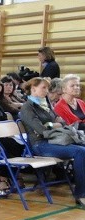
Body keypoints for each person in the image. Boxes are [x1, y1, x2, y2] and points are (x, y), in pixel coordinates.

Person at [20, 77, 85, 205]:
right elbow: (41, 129)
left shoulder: (45, 103)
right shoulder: (27, 107)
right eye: (43, 88)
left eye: (47, 88)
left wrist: (53, 123)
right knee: (80, 152)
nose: (46, 91)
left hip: (54, 139)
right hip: (40, 144)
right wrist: (52, 124)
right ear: (33, 89)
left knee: (82, 148)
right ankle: (80, 194)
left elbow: (60, 120)